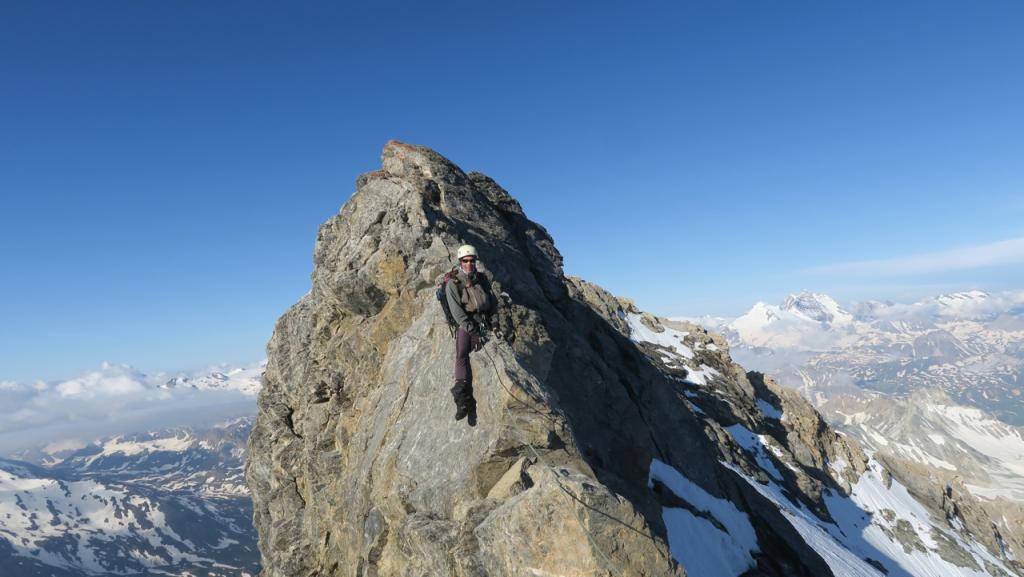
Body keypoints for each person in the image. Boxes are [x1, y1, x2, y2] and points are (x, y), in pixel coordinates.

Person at [445, 244, 497, 423]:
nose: (469, 264)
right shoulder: (453, 283)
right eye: (465, 261)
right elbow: (457, 312)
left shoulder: (481, 278)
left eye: (472, 260)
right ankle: (461, 398)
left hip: (483, 319)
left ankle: (464, 399)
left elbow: (492, 300)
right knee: (461, 354)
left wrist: (495, 322)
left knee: (466, 353)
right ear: (460, 261)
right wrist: (472, 330)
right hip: (467, 322)